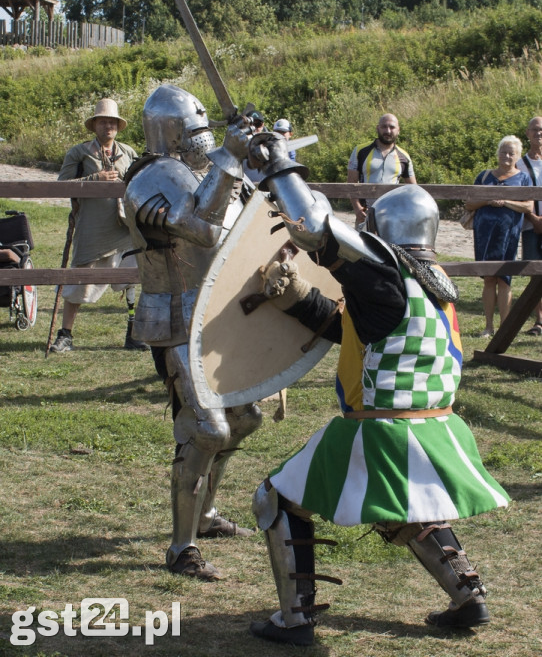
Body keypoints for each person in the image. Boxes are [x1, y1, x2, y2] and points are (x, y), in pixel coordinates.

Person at [245, 133, 510, 646]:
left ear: (383, 232)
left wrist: (279, 164)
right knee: (408, 511)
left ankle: (295, 620)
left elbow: (317, 230)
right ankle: (468, 596)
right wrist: (299, 298)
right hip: (438, 428)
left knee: (274, 499)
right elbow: (356, 329)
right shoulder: (436, 287)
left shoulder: (385, 279)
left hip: (380, 428)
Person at [123, 84, 262, 581]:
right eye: (194, 123)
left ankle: (203, 516)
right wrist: (229, 155)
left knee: (245, 418)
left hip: (217, 311)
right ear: (174, 128)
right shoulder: (150, 177)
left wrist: (253, 159)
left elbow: (243, 221)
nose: (201, 132)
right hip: (175, 314)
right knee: (208, 428)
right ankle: (181, 549)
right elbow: (199, 227)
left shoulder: (201, 173)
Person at [49, 98, 148, 353]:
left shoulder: (127, 152)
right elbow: (60, 186)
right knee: (80, 278)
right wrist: (95, 178)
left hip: (125, 228)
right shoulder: (80, 152)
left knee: (132, 278)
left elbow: (142, 181)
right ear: (94, 125)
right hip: (92, 228)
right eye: (103, 122)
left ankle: (134, 333)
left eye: (112, 122)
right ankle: (65, 334)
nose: (108, 126)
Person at [465, 136, 533, 338]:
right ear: (498, 153)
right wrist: (488, 200)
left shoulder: (523, 178)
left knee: (504, 279)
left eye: (511, 152)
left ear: (517, 156)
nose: (507, 155)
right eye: (504, 151)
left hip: (508, 234)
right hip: (484, 233)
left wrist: (505, 202)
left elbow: (528, 206)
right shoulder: (485, 176)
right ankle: (488, 326)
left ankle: (505, 327)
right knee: (488, 278)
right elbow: (469, 204)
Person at [347, 113, 416, 229]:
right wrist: (357, 209)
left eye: (392, 127)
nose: (388, 131)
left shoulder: (404, 156)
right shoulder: (360, 151)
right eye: (384, 127)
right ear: (377, 128)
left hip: (393, 215)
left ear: (398, 130)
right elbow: (350, 183)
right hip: (365, 215)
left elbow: (414, 189)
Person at [517, 117, 542, 335]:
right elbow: (516, 194)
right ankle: (539, 320)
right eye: (535, 130)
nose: (539, 133)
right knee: (535, 272)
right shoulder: (520, 163)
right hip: (529, 224)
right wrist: (534, 218)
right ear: (527, 133)